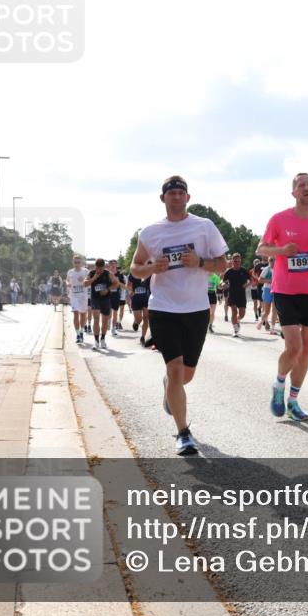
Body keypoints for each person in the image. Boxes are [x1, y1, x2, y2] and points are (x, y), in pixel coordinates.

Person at [130, 175, 228, 456]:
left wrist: (198, 262)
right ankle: (183, 433)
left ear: (188, 198)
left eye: (180, 192)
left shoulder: (204, 227)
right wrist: (151, 267)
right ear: (163, 198)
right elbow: (135, 268)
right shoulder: (149, 232)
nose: (175, 196)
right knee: (174, 369)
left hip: (196, 309)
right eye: (170, 192)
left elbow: (222, 264)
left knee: (186, 375)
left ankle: (169, 388)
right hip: (163, 308)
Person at [257, 173, 308, 422]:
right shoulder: (279, 219)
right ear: (294, 192)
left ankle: (293, 401)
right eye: (301, 185)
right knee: (294, 346)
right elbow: (261, 249)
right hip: (285, 290)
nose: (306, 188)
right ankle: (279, 385)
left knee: (306, 349)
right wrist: (280, 250)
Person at [84, 258, 120, 350]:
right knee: (96, 319)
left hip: (106, 299)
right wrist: (93, 278)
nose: (99, 270)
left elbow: (116, 284)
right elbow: (84, 284)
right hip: (95, 299)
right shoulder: (91, 273)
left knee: (104, 321)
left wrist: (107, 289)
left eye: (101, 268)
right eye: (97, 268)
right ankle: (96, 341)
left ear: (104, 267)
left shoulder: (108, 273)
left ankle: (103, 339)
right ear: (95, 267)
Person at [222, 254, 251, 337]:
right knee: (234, 311)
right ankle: (235, 330)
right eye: (235, 261)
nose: (237, 263)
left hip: (241, 295)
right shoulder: (229, 271)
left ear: (240, 261)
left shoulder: (244, 271)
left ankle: (237, 321)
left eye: (238, 261)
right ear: (232, 261)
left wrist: (247, 284)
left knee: (242, 314)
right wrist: (224, 284)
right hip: (232, 294)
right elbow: (223, 281)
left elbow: (252, 280)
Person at [66, 256, 90, 343]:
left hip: (83, 296)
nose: (77, 264)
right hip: (74, 296)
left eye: (78, 262)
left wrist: (84, 280)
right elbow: (67, 280)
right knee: (76, 314)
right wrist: (68, 283)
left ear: (81, 263)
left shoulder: (86, 271)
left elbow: (90, 281)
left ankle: (81, 331)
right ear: (73, 262)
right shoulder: (70, 272)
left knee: (83, 315)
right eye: (75, 262)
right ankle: (77, 334)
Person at [128, 272, 152, 347]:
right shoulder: (133, 273)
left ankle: (142, 337)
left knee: (146, 318)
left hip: (146, 298)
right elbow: (129, 285)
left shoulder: (149, 272)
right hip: (136, 298)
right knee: (139, 319)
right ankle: (136, 322)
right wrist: (130, 291)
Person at [251, 256, 265, 321]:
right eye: (255, 263)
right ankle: (256, 314)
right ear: (253, 264)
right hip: (254, 288)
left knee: (261, 303)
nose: (257, 263)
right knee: (255, 303)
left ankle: (260, 309)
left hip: (260, 287)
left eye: (258, 262)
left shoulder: (262, 269)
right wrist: (253, 283)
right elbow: (250, 280)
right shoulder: (251, 271)